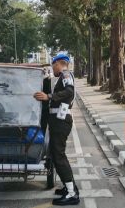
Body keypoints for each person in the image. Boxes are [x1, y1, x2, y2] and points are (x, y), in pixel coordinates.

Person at [33, 54, 79, 206]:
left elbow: (69, 92)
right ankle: (69, 187)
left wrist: (49, 96)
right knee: (55, 154)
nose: (53, 69)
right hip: (58, 120)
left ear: (60, 64)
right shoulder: (62, 76)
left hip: (61, 121)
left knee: (58, 155)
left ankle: (72, 193)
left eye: (54, 66)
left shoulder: (65, 74)